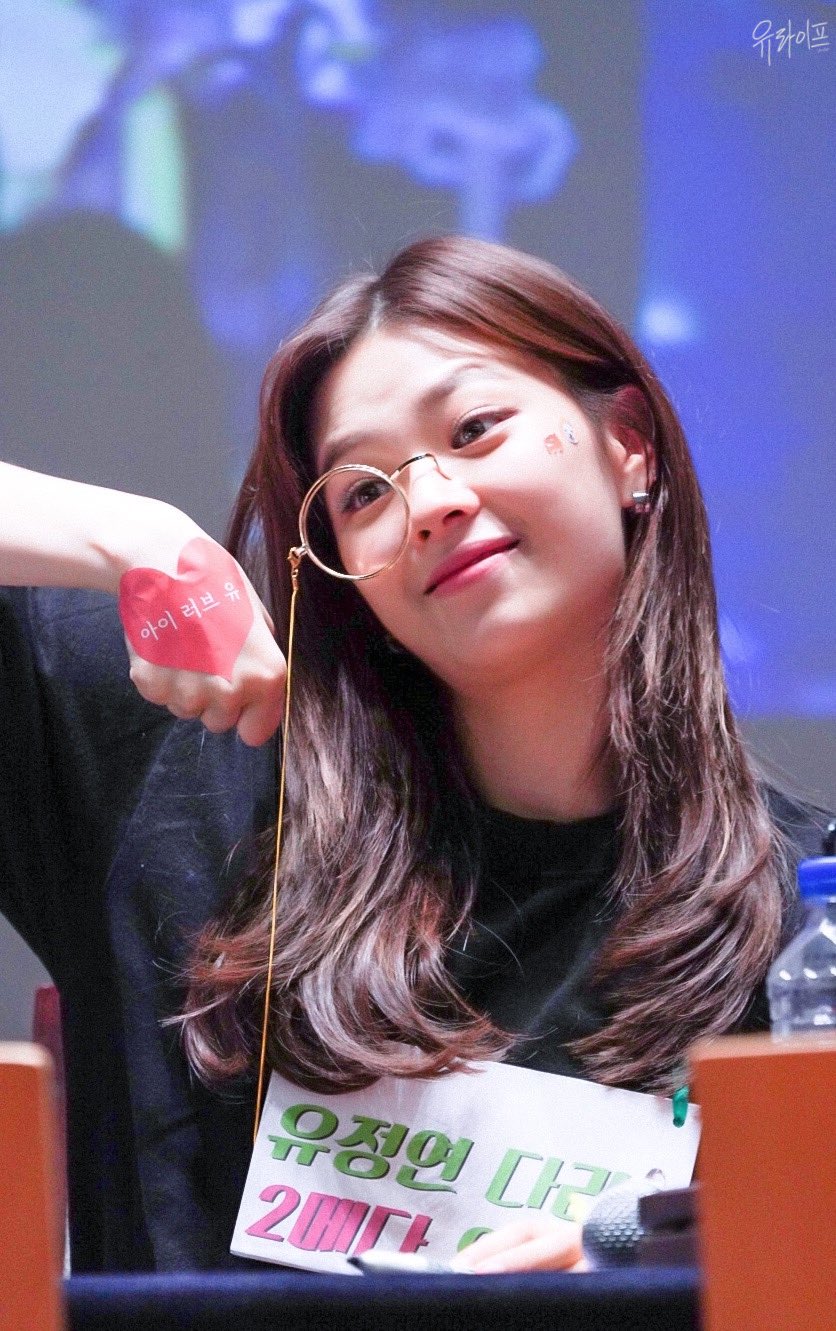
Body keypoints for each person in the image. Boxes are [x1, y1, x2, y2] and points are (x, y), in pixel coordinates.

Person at [0, 236, 828, 1275]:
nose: (430, 500)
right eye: (361, 494)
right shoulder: (194, 763)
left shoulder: (806, 926)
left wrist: (654, 1273)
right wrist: (134, 537)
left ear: (628, 445)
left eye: (474, 429)